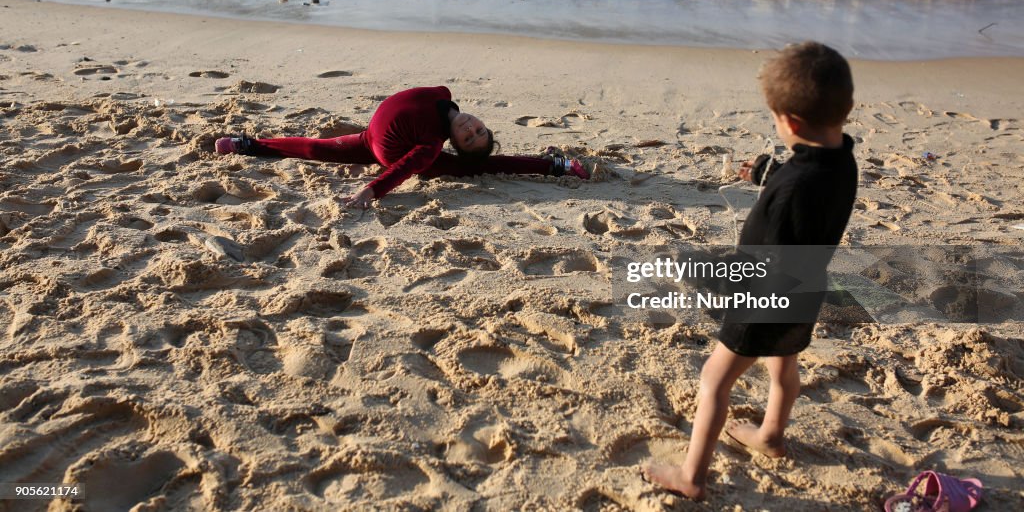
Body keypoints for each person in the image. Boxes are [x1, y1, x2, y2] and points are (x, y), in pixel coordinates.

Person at [642, 42, 858, 500]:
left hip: (764, 298)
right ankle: (771, 436)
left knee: (714, 380)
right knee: (783, 369)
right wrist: (768, 171)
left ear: (790, 123)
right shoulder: (842, 159)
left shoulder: (791, 192)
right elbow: (807, 174)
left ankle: (692, 478)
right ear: (846, 109)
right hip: (806, 290)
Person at [215, 85, 589, 208]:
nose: (471, 129)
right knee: (316, 149)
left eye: (469, 138)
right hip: (371, 139)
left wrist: (371, 190)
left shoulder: (429, 145)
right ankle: (247, 145)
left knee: (481, 166)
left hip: (393, 153)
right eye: (478, 129)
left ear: (453, 143)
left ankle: (552, 166)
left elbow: (406, 167)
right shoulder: (445, 96)